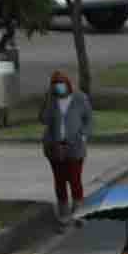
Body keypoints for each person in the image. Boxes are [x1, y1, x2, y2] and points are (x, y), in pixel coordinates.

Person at [39, 70, 92, 225]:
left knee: (75, 179)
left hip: (75, 146)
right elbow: (43, 119)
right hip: (54, 146)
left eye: (61, 83)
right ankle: (63, 212)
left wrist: (83, 135)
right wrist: (48, 100)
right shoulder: (51, 100)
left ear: (67, 84)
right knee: (60, 180)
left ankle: (78, 211)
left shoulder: (80, 98)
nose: (59, 87)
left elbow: (89, 119)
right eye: (55, 84)